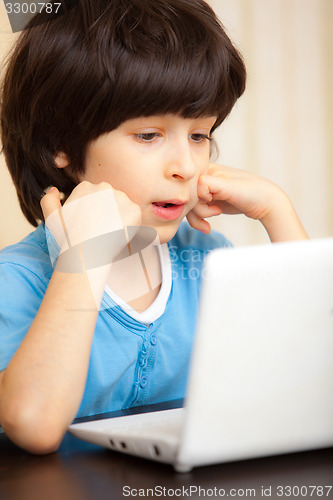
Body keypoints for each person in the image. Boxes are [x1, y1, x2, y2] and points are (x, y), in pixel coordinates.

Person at [0, 0, 308, 454]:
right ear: (62, 146)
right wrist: (84, 257)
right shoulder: (18, 280)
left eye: (199, 135)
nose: (185, 165)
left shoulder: (207, 260)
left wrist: (278, 213)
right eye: (149, 136)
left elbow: (311, 377)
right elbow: (33, 424)